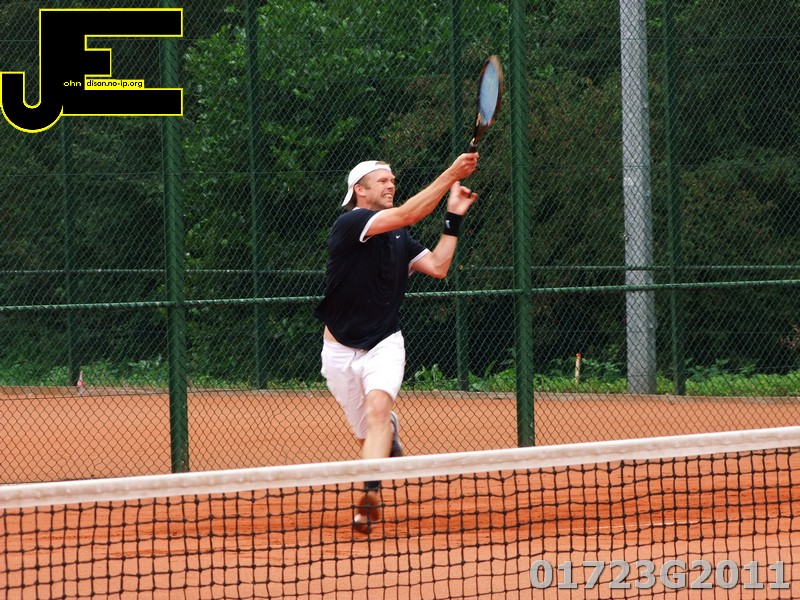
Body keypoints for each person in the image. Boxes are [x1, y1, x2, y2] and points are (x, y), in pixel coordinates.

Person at [314, 152, 479, 532]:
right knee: (367, 435)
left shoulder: (399, 237)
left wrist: (453, 217)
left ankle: (369, 496)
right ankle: (385, 436)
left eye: (392, 180)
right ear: (360, 190)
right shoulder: (351, 223)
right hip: (338, 350)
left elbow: (438, 266)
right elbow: (408, 213)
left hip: (384, 342)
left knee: (376, 412)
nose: (391, 184)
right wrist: (451, 172)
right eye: (383, 181)